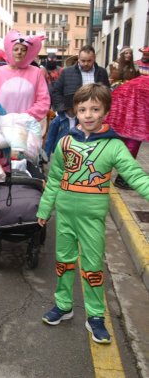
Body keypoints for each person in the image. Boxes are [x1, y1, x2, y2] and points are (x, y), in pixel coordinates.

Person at [37, 83, 149, 344]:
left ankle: (96, 315)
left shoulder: (114, 147)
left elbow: (136, 176)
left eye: (95, 109)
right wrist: (44, 209)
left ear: (105, 112)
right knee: (63, 262)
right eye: (83, 108)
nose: (88, 114)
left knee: (92, 266)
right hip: (64, 216)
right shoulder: (65, 143)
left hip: (92, 220)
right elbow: (54, 179)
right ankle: (63, 305)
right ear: (75, 110)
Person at [47, 45, 110, 160]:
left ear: (94, 58)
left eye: (89, 61)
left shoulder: (102, 72)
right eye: (83, 60)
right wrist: (64, 108)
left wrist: (104, 110)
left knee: (90, 144)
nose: (86, 63)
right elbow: (56, 91)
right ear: (78, 59)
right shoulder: (67, 72)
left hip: (94, 115)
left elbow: (107, 93)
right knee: (70, 144)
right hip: (72, 114)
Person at [0, 30, 50, 122]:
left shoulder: (36, 73)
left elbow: (43, 101)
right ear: (10, 50)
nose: (19, 52)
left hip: (27, 127)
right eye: (16, 49)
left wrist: (25, 117)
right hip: (1, 126)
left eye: (23, 50)